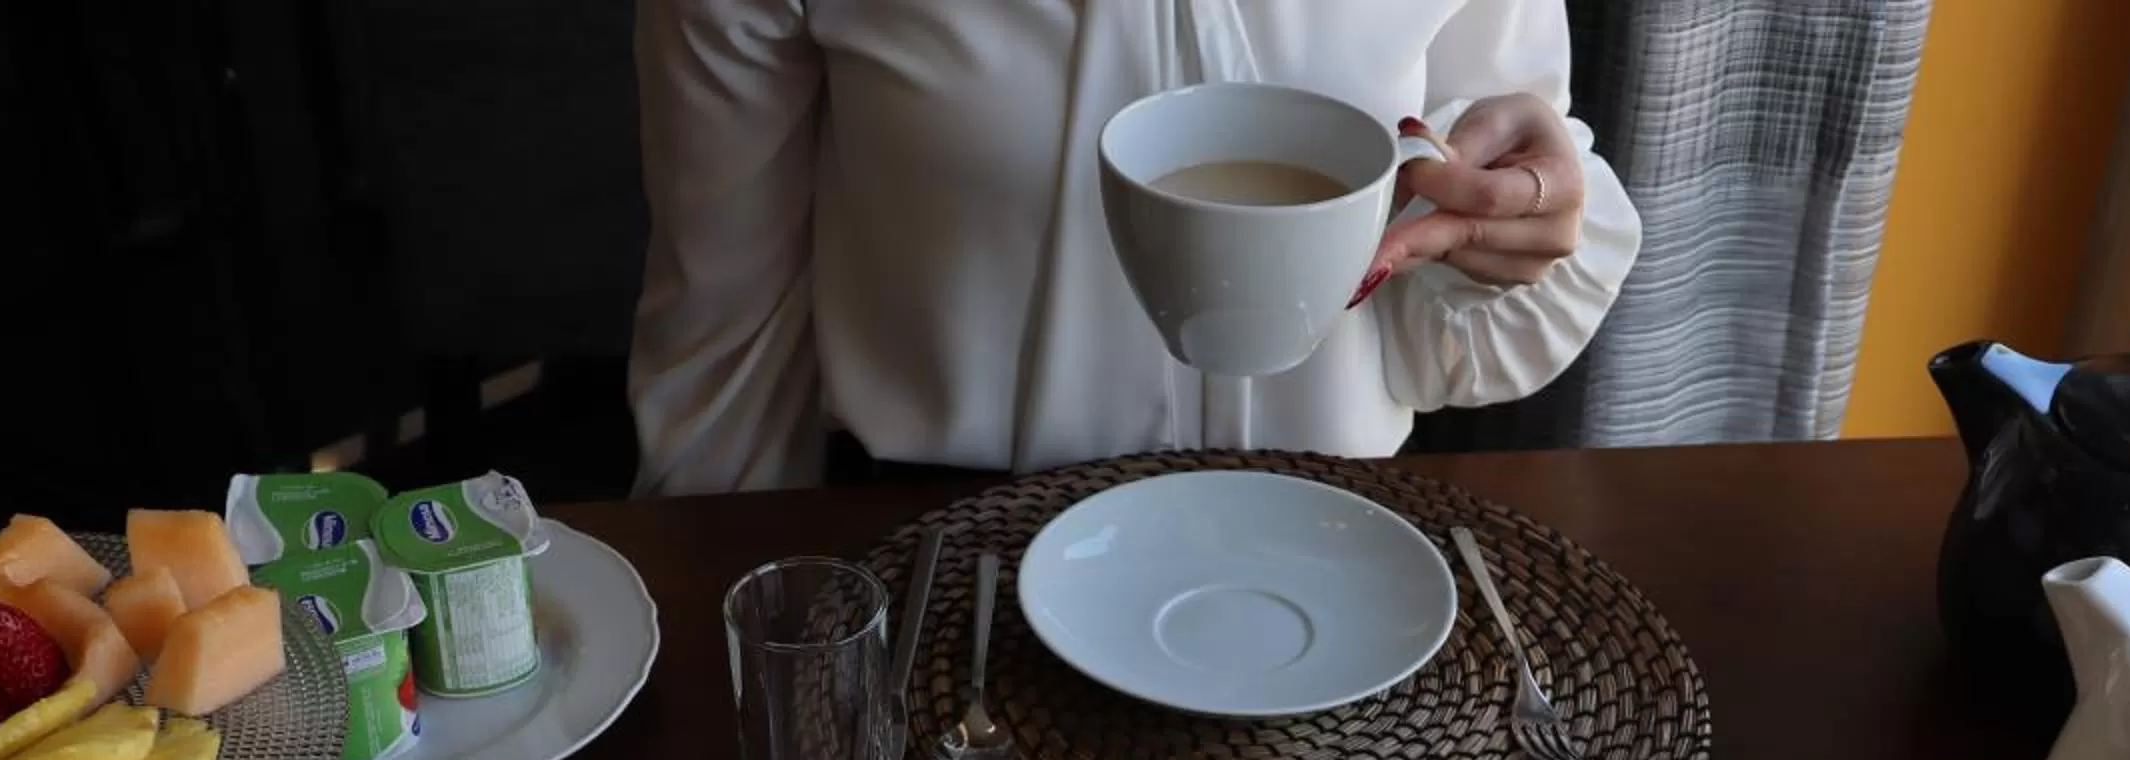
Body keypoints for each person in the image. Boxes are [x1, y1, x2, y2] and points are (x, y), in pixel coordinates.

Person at [629, 2, 1643, 493]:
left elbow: (1500, 176)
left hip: (1335, 554)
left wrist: (1509, 218)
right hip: (939, 572)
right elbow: (730, 332)